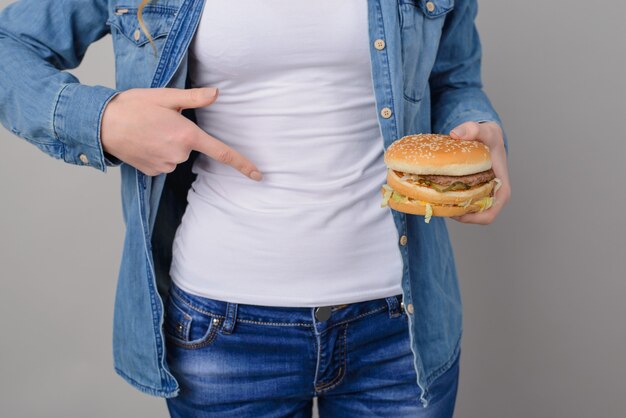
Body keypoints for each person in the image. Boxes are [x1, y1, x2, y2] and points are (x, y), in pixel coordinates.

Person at [0, 0, 511, 416]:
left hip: (402, 327)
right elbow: (9, 45)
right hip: (224, 333)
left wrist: (479, 128)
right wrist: (103, 119)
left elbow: (454, 80)